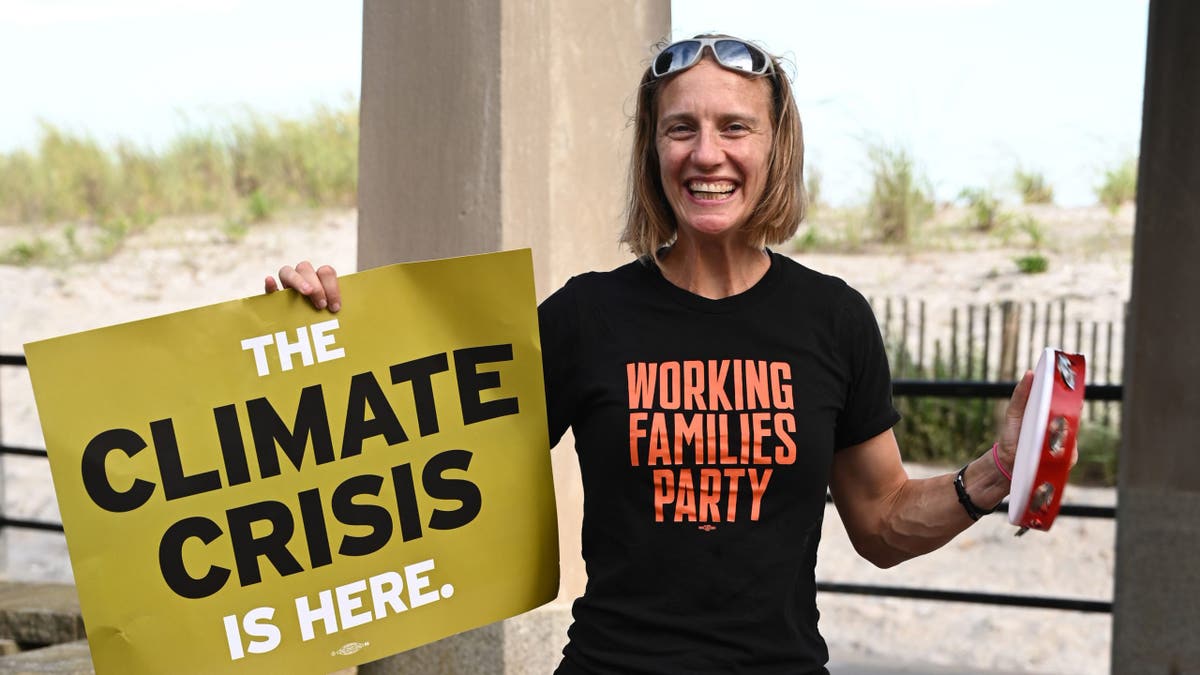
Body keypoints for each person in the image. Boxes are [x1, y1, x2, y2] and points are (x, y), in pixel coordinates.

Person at [268, 35, 1036, 675]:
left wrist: (996, 472)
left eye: (735, 127)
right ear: (653, 148)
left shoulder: (833, 319)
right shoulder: (585, 315)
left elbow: (879, 520)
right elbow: (408, 453)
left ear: (775, 145)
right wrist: (316, 335)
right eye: (681, 129)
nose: (707, 154)